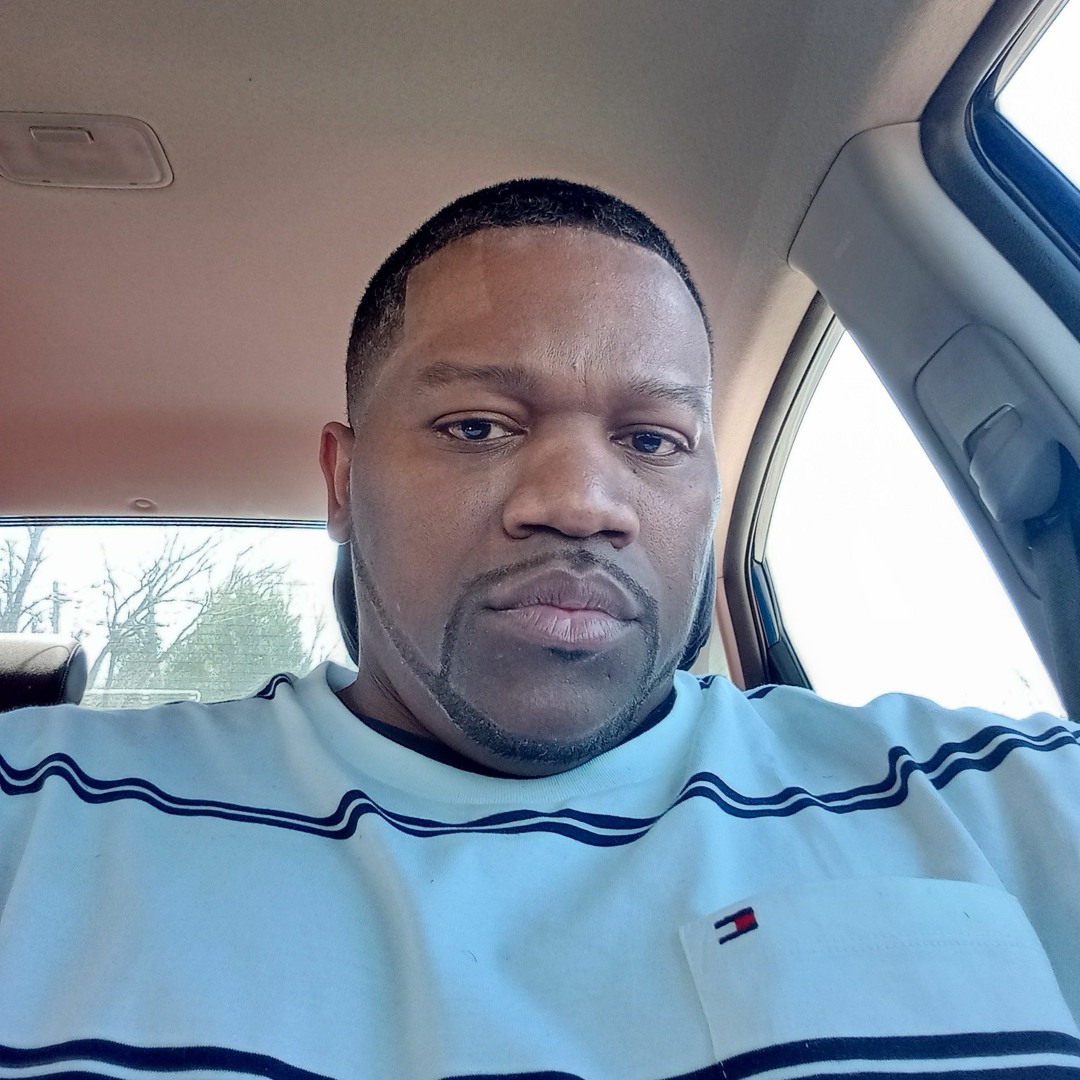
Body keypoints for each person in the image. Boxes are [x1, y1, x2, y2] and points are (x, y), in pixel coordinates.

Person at [2, 179, 1080, 1080]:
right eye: (477, 426)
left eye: (652, 440)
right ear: (341, 483)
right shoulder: (41, 812)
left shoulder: (993, 798)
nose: (578, 502)